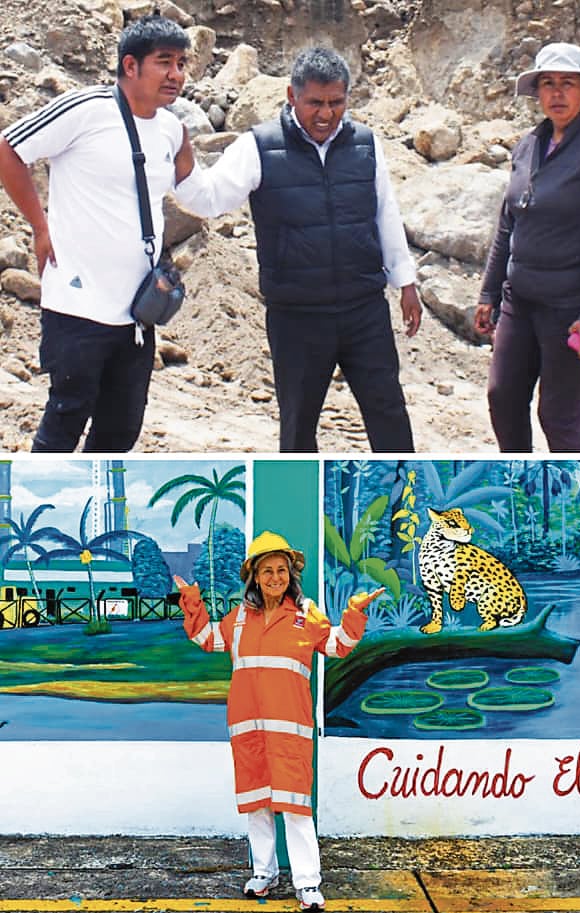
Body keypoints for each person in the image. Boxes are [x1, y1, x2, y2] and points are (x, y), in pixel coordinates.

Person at [173, 47, 418, 453]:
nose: (326, 114)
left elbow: (385, 213)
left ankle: (404, 492)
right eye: (315, 103)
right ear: (292, 95)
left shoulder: (365, 145)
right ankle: (297, 496)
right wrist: (180, 154)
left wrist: (406, 282)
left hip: (364, 310)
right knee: (298, 425)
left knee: (389, 413)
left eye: (336, 103)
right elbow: (209, 199)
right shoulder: (259, 147)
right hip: (297, 317)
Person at [0, 16, 190, 452]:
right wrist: (40, 226)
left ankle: (94, 498)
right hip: (78, 304)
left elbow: (191, 186)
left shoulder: (171, 128)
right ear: (130, 65)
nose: (176, 74)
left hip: (137, 312)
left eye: (181, 63)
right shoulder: (86, 109)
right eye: (164, 62)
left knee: (121, 430)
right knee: (67, 417)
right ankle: (37, 496)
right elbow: (9, 149)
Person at [177, 531, 378, 911]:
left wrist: (354, 613)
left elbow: (338, 646)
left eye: (281, 570)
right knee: (257, 804)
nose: (275, 577)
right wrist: (192, 601)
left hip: (290, 732)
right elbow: (206, 638)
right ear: (254, 577)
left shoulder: (306, 614)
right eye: (267, 570)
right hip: (249, 730)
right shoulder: (239, 619)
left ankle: (308, 884)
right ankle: (264, 874)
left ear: (291, 575)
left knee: (296, 806)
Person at [474, 42, 580, 453]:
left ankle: (579, 491)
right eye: (547, 83)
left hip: (572, 307)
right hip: (520, 300)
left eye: (568, 83)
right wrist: (489, 293)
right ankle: (519, 480)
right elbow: (508, 223)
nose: (557, 93)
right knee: (502, 397)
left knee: (559, 415)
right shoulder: (529, 145)